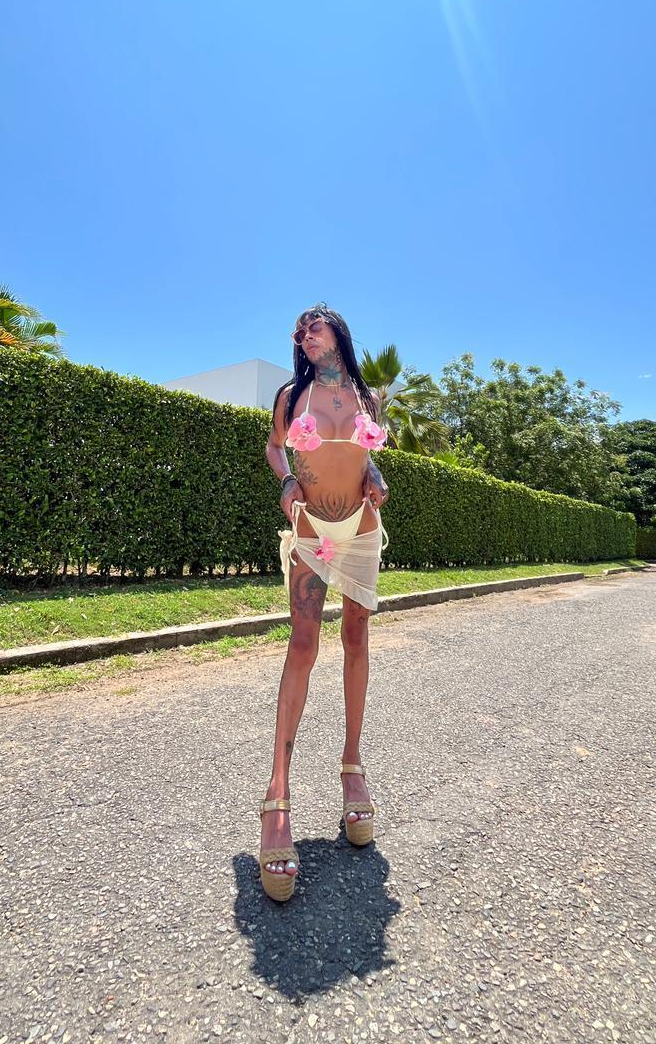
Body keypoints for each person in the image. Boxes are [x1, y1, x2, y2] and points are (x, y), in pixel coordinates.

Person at [257, 304, 390, 902]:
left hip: (359, 528)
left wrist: (375, 474)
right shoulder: (291, 397)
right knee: (303, 646)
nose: (305, 336)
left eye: (315, 326)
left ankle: (352, 769)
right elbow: (275, 448)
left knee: (357, 640)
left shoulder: (369, 398)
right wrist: (287, 479)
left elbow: (365, 454)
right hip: (311, 530)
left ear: (338, 332)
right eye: (299, 332)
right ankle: (277, 794)